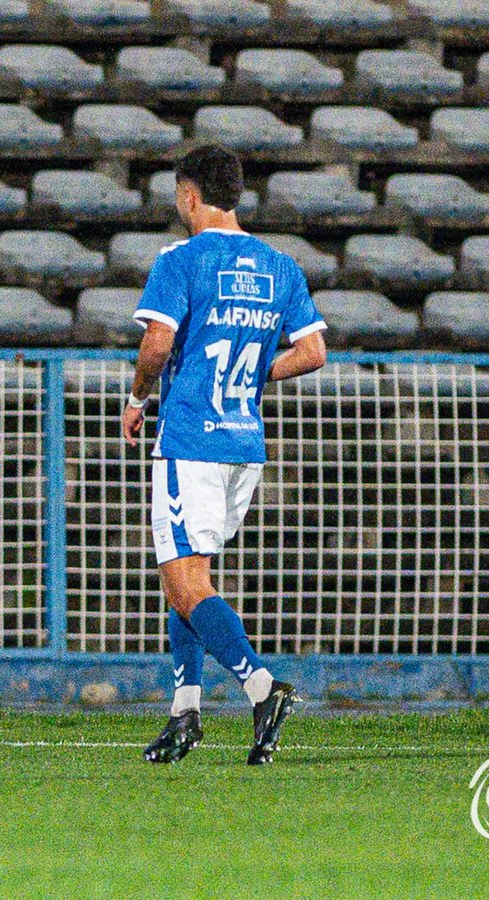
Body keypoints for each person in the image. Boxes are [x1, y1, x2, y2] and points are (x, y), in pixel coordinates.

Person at [122, 144, 329, 765]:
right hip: (244, 441)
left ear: (189, 195)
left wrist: (135, 396)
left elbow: (157, 342)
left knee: (185, 583)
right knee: (187, 576)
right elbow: (314, 351)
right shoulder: (279, 264)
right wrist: (255, 374)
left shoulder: (180, 259)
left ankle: (261, 688)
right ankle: (184, 712)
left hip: (192, 439)